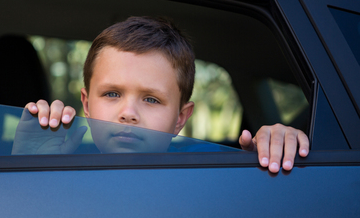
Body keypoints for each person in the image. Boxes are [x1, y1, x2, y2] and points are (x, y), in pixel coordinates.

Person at [21, 16, 309, 173]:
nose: (128, 112)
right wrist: (29, 168)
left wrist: (265, 157)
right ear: (86, 104)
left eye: (151, 99)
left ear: (180, 119)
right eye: (111, 94)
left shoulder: (209, 170)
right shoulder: (62, 165)